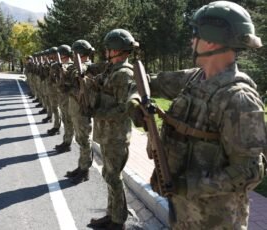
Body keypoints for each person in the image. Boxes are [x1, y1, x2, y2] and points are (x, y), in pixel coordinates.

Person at [134, 1, 266, 229]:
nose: (191, 40)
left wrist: (188, 185)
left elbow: (249, 172)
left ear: (211, 40)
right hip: (182, 212)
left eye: (195, 34)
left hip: (216, 221)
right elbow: (147, 82)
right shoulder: (194, 78)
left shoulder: (239, 100)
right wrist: (135, 102)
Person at [88, 29, 138, 230]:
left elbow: (123, 108)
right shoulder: (111, 70)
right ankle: (112, 215)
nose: (106, 52)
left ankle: (118, 221)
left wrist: (98, 112)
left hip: (115, 136)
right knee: (109, 176)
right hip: (107, 133)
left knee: (114, 177)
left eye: (108, 48)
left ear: (117, 50)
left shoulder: (124, 74)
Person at [61, 40, 94, 184]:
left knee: (85, 140)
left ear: (80, 53)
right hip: (75, 109)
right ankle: (81, 166)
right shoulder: (76, 67)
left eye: (74, 53)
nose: (72, 56)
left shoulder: (88, 68)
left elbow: (83, 85)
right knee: (80, 140)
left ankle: (85, 170)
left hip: (82, 110)